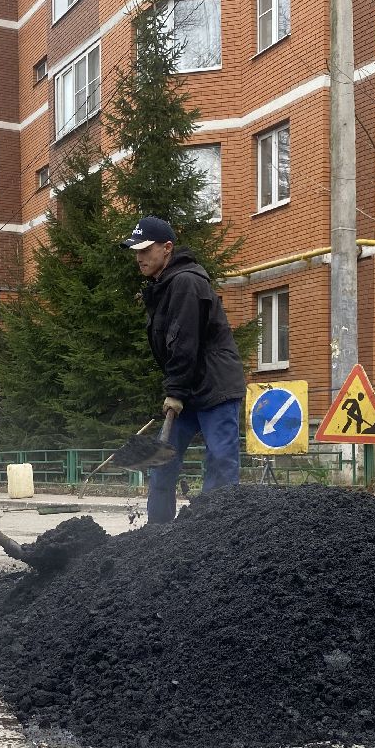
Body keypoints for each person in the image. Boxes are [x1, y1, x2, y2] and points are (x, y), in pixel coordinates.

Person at [121, 216, 246, 524]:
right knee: (163, 460)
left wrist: (174, 391)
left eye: (146, 250)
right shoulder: (164, 286)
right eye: (136, 251)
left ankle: (217, 530)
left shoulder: (186, 282)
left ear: (167, 248)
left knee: (220, 461)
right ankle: (158, 535)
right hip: (189, 386)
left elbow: (184, 341)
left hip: (215, 387)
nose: (139, 257)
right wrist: (178, 389)